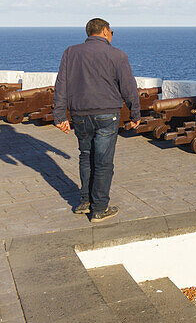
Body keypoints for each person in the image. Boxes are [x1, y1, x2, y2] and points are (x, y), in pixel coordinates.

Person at [53, 18, 140, 222]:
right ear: (104, 31)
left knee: (86, 156)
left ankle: (85, 201)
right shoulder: (117, 55)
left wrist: (59, 116)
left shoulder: (70, 53)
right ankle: (99, 208)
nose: (112, 35)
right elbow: (129, 87)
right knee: (103, 162)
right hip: (106, 114)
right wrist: (135, 113)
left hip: (80, 114)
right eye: (111, 32)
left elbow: (61, 85)